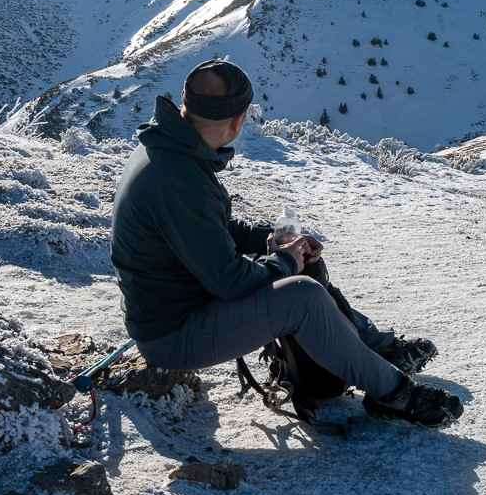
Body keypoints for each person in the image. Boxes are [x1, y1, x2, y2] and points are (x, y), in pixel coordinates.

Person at [110, 59, 462, 427]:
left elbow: (208, 229)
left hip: (179, 309)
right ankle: (395, 394)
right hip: (173, 336)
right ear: (238, 120)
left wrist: (271, 239)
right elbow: (228, 281)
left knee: (303, 264)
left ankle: (372, 349)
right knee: (302, 295)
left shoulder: (169, 151)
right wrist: (284, 260)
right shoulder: (178, 177)